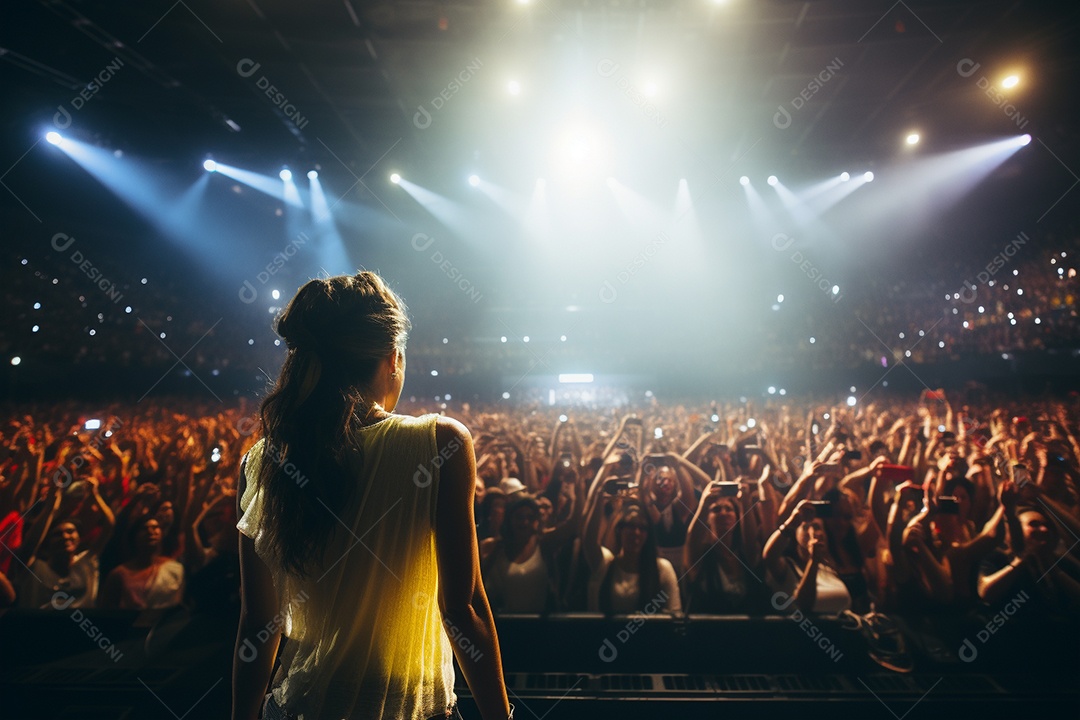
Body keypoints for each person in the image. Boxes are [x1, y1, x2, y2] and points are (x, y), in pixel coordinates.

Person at [231, 272, 511, 720]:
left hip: (297, 708)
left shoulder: (264, 459)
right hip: (410, 708)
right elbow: (463, 608)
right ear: (393, 358)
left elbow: (259, 623)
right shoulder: (439, 443)